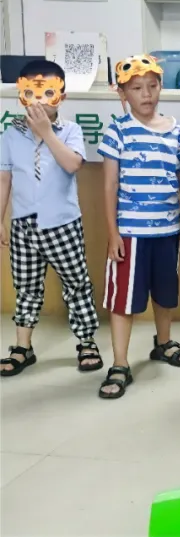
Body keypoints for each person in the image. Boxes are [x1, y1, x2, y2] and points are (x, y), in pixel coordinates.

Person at [98, 55, 180, 400]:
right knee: (123, 300)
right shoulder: (118, 131)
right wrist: (113, 233)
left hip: (167, 231)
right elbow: (109, 185)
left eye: (152, 86)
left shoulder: (177, 131)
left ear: (160, 87)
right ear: (122, 93)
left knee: (165, 293)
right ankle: (120, 363)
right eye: (137, 88)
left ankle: (163, 343)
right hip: (130, 234)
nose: (146, 94)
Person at [0, 60, 101, 377]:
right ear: (21, 95)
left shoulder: (70, 130)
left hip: (63, 223)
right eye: (31, 92)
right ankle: (23, 347)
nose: (39, 100)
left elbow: (72, 164)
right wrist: (1, 219)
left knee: (76, 283)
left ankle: (86, 342)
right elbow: (4, 179)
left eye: (47, 92)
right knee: (26, 287)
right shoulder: (10, 135)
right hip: (23, 225)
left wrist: (46, 132)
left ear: (62, 96)